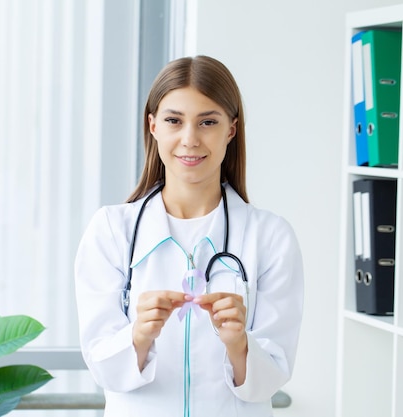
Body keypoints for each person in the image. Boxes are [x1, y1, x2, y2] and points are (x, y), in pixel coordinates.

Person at [74, 55, 303, 417]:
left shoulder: (270, 237)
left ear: (231, 129)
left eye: (208, 122)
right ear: (153, 126)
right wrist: (138, 336)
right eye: (173, 121)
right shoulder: (111, 231)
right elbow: (102, 366)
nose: (190, 139)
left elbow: (272, 376)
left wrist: (239, 345)